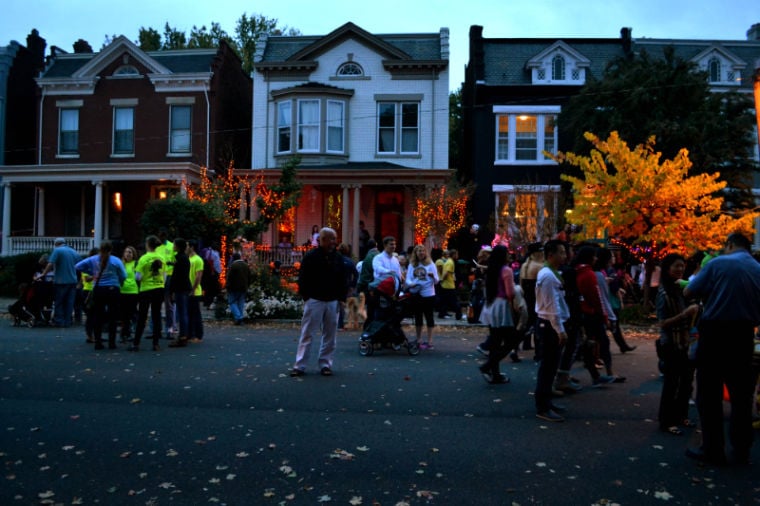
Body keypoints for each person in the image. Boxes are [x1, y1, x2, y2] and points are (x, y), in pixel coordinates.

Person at [684, 232, 760, 466]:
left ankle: (713, 449)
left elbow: (689, 291)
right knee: (741, 395)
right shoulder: (758, 268)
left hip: (715, 333)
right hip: (744, 334)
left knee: (709, 394)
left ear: (729, 245)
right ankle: (741, 448)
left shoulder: (718, 263)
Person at [290, 227, 348, 377]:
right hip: (315, 299)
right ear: (322, 240)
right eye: (331, 239)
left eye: (335, 239)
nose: (334, 242)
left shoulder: (338, 257)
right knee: (308, 333)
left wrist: (341, 298)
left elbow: (343, 278)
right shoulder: (311, 256)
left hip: (332, 300)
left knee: (330, 335)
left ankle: (325, 364)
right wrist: (307, 296)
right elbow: (303, 277)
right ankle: (300, 365)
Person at [656, 253, 700, 436]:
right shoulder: (663, 292)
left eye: (682, 266)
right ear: (667, 269)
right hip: (671, 343)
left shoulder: (683, 289)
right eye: (676, 266)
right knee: (672, 383)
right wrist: (685, 315)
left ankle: (681, 415)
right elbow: (662, 323)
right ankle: (667, 421)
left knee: (686, 382)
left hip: (686, 343)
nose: (680, 269)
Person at [534, 239, 570, 422]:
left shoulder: (549, 273)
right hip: (549, 326)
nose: (564, 256)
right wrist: (560, 330)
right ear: (551, 255)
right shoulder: (548, 276)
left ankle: (547, 402)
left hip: (548, 324)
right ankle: (542, 406)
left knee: (550, 367)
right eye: (561, 253)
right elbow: (551, 306)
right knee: (548, 368)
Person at [75, 241, 126, 350]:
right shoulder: (116, 260)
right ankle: (112, 343)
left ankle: (98, 342)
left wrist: (92, 272)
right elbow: (123, 275)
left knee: (98, 315)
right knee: (113, 316)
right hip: (113, 289)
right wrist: (119, 282)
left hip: (99, 289)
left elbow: (78, 266)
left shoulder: (93, 259)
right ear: (111, 249)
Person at [477, 245, 517, 384]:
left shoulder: (492, 269)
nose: (509, 255)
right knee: (511, 340)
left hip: (491, 304)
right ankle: (488, 367)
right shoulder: (506, 270)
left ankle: (495, 373)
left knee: (495, 340)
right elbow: (510, 293)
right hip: (502, 306)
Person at [130, 236, 165, 352]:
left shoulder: (143, 258)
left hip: (146, 289)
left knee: (142, 316)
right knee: (156, 315)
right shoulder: (161, 257)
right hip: (159, 288)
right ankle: (156, 343)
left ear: (147, 245)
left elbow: (138, 277)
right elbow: (164, 275)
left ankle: (136, 343)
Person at [36, 238, 80, 327]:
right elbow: (80, 265)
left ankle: (59, 320)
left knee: (59, 302)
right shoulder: (74, 252)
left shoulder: (57, 250)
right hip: (73, 281)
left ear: (56, 244)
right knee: (69, 302)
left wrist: (43, 274)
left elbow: (50, 263)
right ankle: (68, 321)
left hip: (61, 281)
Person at [405, 244, 439, 349]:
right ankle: (419, 339)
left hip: (428, 294)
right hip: (416, 293)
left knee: (429, 317)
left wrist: (433, 276)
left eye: (423, 251)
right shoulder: (412, 265)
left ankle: (430, 341)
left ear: (425, 253)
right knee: (418, 317)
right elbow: (408, 278)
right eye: (419, 251)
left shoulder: (431, 264)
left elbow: (437, 280)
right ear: (415, 253)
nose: (421, 253)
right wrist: (411, 284)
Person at [519, 242, 544, 351]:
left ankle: (525, 343)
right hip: (535, 298)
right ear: (538, 253)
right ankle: (538, 350)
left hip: (526, 296)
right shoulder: (539, 266)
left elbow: (521, 283)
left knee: (528, 322)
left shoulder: (524, 265)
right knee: (537, 323)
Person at [168, 238, 191, 348]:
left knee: (182, 313)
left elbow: (177, 276)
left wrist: (172, 289)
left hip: (180, 288)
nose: (173, 246)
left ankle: (182, 337)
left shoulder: (180, 259)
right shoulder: (184, 258)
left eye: (174, 244)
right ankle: (184, 335)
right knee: (183, 312)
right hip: (184, 287)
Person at [155, 228, 176, 338]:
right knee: (157, 304)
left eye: (163, 237)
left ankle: (170, 328)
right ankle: (157, 329)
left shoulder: (171, 246)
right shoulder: (156, 247)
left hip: (168, 276)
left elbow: (175, 261)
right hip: (158, 277)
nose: (161, 239)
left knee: (168, 304)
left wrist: (170, 263)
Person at [356, 239, 379, 330]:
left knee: (371, 310)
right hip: (381, 287)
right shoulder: (380, 256)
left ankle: (369, 330)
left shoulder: (368, 258)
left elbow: (365, 276)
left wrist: (360, 287)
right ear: (376, 245)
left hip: (371, 288)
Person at [119, 246, 139, 343]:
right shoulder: (121, 264)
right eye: (126, 252)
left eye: (130, 252)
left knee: (130, 313)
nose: (128, 254)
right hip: (122, 291)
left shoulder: (135, 264)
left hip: (133, 291)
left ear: (133, 254)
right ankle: (124, 333)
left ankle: (128, 332)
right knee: (123, 314)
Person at [187, 240, 205, 343]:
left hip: (194, 291)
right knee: (190, 313)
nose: (186, 248)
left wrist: (193, 289)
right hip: (189, 290)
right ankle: (191, 334)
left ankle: (197, 335)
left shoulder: (198, 260)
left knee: (195, 314)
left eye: (187, 246)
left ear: (192, 247)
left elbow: (198, 276)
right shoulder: (189, 258)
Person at [336, 243, 357, 330]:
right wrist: (352, 285)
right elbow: (356, 274)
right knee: (342, 304)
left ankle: (333, 324)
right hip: (346, 286)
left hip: (335, 285)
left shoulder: (335, 260)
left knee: (334, 304)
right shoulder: (350, 261)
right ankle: (340, 324)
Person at [226, 252, 250, 326]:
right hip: (243, 287)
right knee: (241, 303)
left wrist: (227, 286)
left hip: (234, 287)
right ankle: (240, 318)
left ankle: (238, 317)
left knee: (232, 302)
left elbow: (229, 277)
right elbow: (250, 276)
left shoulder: (233, 265)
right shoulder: (246, 265)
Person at [438, 249, 461, 320]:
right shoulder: (450, 262)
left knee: (445, 300)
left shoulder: (448, 261)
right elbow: (447, 273)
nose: (457, 256)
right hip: (449, 285)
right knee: (454, 301)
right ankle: (458, 315)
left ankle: (441, 314)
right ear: (453, 255)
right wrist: (442, 279)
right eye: (456, 254)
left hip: (446, 284)